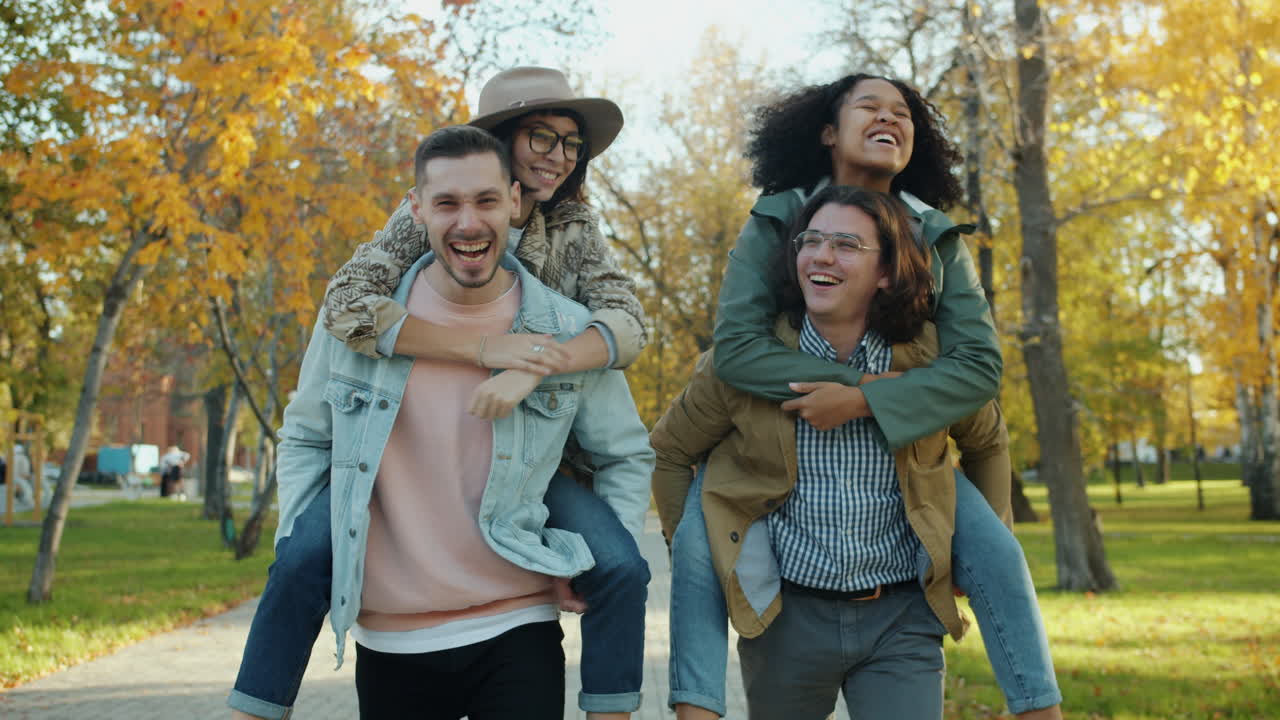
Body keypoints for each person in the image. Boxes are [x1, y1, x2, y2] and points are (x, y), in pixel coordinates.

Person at [663, 74, 1063, 719]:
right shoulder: (777, 218)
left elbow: (978, 370)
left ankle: (1041, 705)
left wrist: (874, 401)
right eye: (869, 107)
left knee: (995, 548)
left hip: (914, 457)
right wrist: (864, 389)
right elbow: (736, 353)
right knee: (697, 540)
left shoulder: (935, 234)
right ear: (828, 132)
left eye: (902, 112)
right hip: (790, 489)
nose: (889, 118)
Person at [234, 125, 653, 720]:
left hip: (517, 625)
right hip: (393, 637)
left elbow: (624, 452)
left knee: (621, 567)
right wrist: (309, 550)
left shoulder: (565, 318)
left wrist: (589, 556)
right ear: (415, 209)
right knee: (299, 558)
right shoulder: (356, 323)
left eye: (485, 201)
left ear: (512, 199)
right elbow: (305, 437)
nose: (467, 221)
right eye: (447, 203)